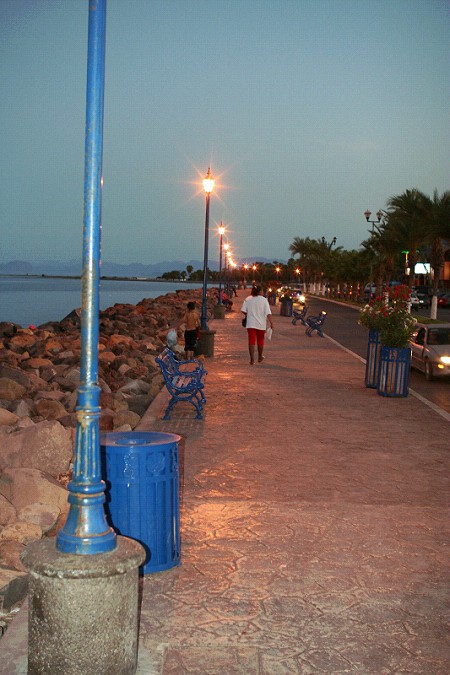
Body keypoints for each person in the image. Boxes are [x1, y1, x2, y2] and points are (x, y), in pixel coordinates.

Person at [241, 285, 274, 365]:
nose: (263, 292)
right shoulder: (264, 300)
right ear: (259, 291)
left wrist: (249, 314)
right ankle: (259, 357)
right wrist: (271, 322)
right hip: (261, 324)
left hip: (251, 323)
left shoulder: (248, 299)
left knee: (251, 341)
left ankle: (252, 359)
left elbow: (243, 310)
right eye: (262, 291)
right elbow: (268, 313)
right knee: (260, 340)